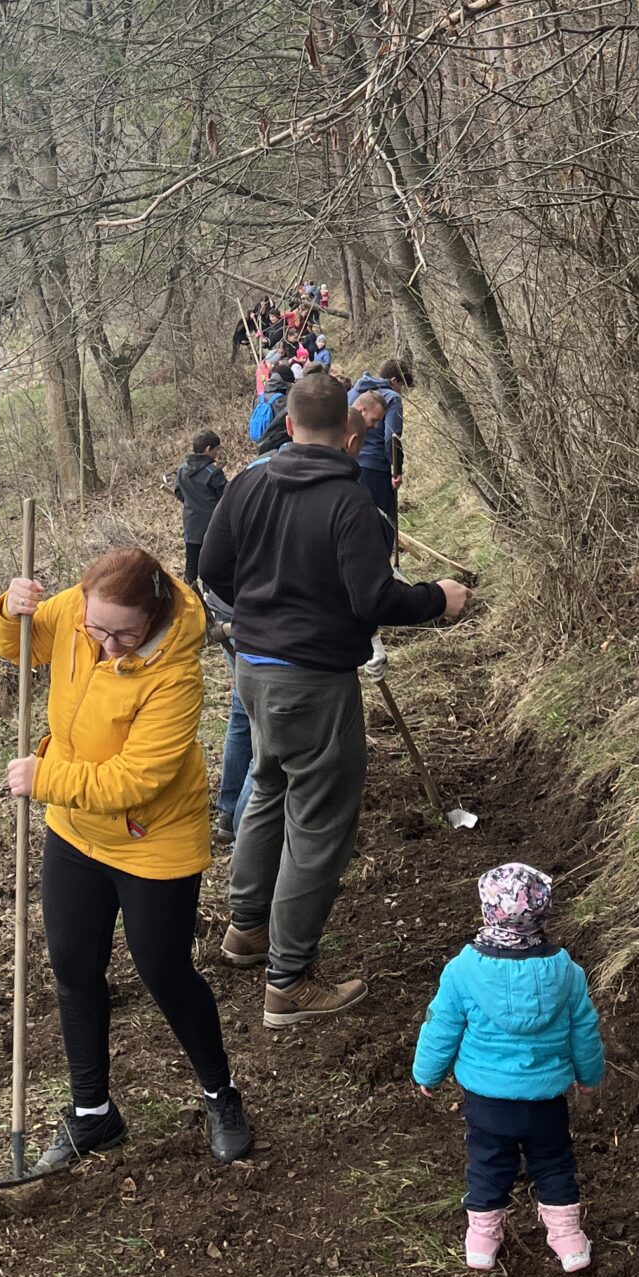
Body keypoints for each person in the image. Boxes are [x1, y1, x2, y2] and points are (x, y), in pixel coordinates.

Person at [197, 373, 470, 1027]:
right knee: (319, 825)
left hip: (254, 672)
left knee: (268, 788)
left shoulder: (247, 484)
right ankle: (289, 981)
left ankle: (247, 929)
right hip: (313, 682)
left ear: (289, 427)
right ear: (351, 437)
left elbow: (212, 570)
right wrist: (438, 598)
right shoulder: (349, 503)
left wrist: (264, 605)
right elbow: (374, 597)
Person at [0, 546, 254, 1170]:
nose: (107, 646)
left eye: (124, 636)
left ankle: (221, 1095)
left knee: (164, 970)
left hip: (152, 838)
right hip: (75, 831)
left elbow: (137, 780)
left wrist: (46, 778)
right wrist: (10, 610)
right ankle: (93, 1114)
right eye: (97, 631)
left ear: (153, 617)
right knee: (73, 967)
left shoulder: (176, 675)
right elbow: (18, 647)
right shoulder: (79, 611)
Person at [412, 862, 604, 1273]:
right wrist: (589, 1075)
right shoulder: (566, 972)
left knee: (488, 1163)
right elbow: (584, 1029)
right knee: (554, 1163)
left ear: (487, 910)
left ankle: (482, 1241)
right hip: (545, 1098)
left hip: (487, 1100)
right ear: (543, 911)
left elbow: (441, 1025)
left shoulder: (463, 971)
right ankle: (568, 1240)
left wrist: (427, 1073)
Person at [347, 358, 410, 542]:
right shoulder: (392, 398)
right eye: (401, 385)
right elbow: (392, 437)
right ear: (394, 380)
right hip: (376, 467)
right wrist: (397, 470)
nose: (400, 391)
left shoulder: (354, 392)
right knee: (385, 524)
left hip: (351, 464)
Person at [167, 428, 227, 587]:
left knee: (191, 568)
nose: (217, 454)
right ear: (208, 449)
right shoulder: (213, 472)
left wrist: (191, 504)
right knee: (212, 567)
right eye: (216, 450)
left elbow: (178, 492)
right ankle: (209, 597)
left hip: (191, 527)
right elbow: (226, 498)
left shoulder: (182, 470)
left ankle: (189, 598)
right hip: (212, 527)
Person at [247, 364, 294, 450]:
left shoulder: (259, 398)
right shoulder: (283, 401)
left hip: (261, 444)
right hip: (278, 446)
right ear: (286, 383)